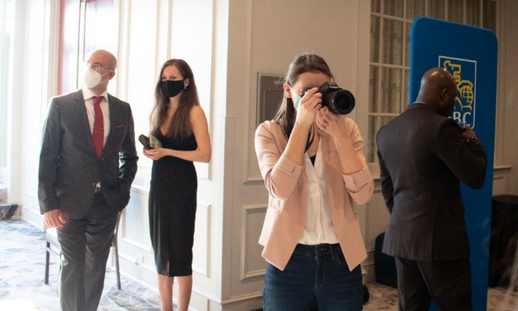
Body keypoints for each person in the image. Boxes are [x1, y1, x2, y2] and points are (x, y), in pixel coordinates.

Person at [254, 53, 374, 310]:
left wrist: (341, 137)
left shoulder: (346, 129)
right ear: (288, 90)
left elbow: (363, 195)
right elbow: (280, 189)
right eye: (306, 91)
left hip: (341, 256)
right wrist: (300, 127)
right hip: (289, 257)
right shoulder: (269, 132)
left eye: (322, 90)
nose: (315, 99)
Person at [376, 67, 487, 311]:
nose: (454, 106)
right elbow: (476, 176)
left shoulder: (386, 132)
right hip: (440, 242)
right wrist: (473, 141)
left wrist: (407, 220)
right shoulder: (442, 127)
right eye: (454, 99)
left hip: (402, 237)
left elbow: (388, 189)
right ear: (444, 94)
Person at [38, 49, 138, 311]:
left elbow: (130, 157)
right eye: (89, 64)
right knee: (71, 265)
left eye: (97, 66)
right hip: (68, 203)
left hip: (106, 202)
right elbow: (47, 157)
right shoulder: (61, 105)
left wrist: (121, 192)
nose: (91, 70)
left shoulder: (122, 109)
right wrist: (48, 204)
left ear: (110, 74)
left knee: (96, 267)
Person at [143, 59, 211, 311]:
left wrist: (169, 152)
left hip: (181, 186)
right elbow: (159, 147)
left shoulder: (194, 112)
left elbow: (204, 154)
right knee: (161, 251)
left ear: (186, 81)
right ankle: (165, 308)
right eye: (164, 78)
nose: (167, 83)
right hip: (159, 184)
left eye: (173, 78)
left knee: (180, 253)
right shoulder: (159, 110)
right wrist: (152, 152)